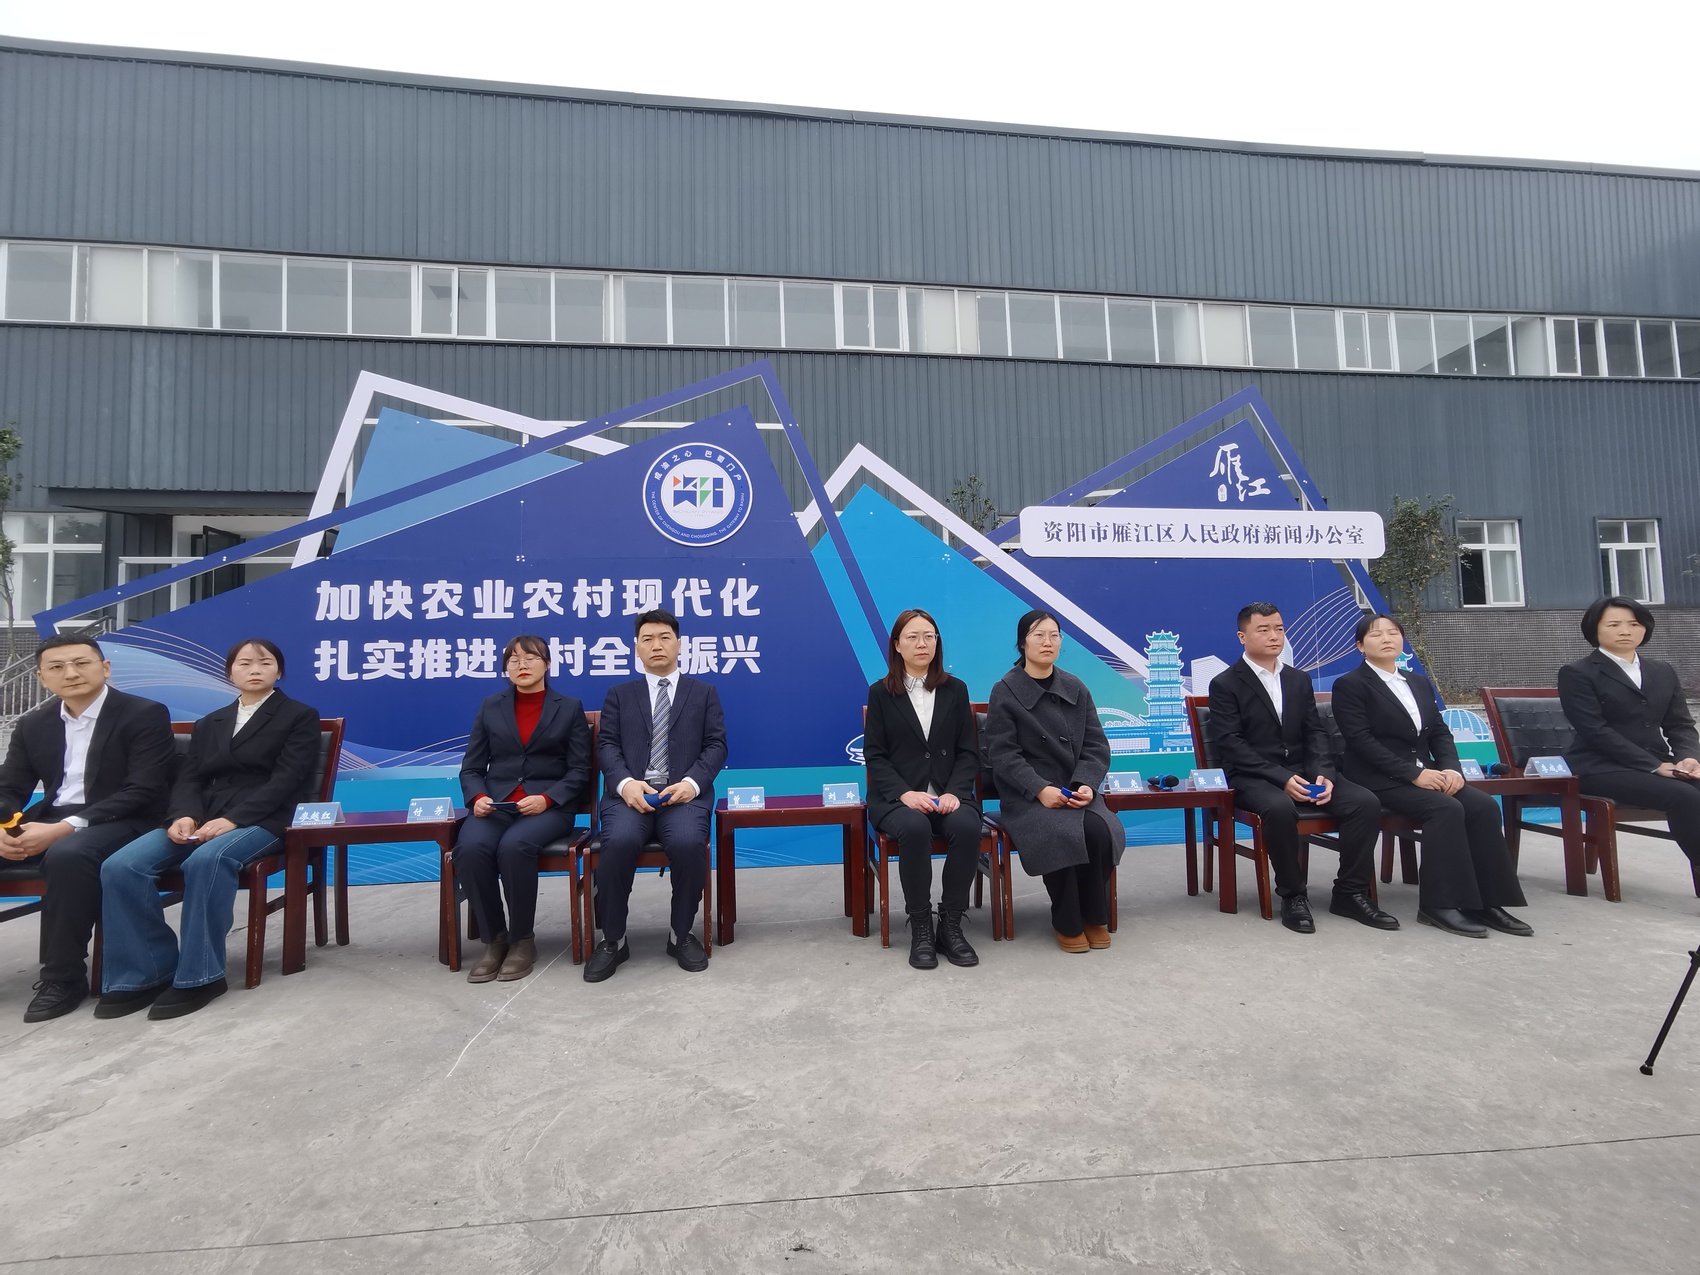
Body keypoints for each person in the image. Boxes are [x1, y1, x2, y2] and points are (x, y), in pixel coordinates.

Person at [97, 638, 324, 1019]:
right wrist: (183, 815)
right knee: (121, 866)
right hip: (204, 816)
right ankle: (145, 971)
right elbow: (189, 778)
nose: (255, 669)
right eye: (244, 663)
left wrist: (235, 819)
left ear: (279, 671)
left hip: (266, 817)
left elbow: (288, 779)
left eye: (265, 662)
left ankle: (201, 975)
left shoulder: (298, 716)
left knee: (207, 860)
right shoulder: (209, 723)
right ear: (229, 673)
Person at [0, 635, 174, 1022]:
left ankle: (63, 978)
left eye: (81, 663)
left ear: (105, 668)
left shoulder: (144, 713)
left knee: (69, 854)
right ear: (42, 678)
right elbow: (9, 789)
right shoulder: (33, 724)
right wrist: (2, 828)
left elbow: (144, 789)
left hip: (125, 818)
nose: (71, 673)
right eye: (57, 667)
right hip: (52, 816)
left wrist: (65, 828)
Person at [1331, 614, 1531, 938]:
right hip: (1376, 778)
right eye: (1376, 635)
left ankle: (1486, 902)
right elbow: (1361, 741)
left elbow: (1439, 731)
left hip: (1426, 773)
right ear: (1360, 646)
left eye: (1393, 633)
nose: (1386, 639)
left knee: (1483, 806)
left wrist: (1451, 768)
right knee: (1445, 808)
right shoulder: (1350, 685)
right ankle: (1438, 904)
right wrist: (1413, 775)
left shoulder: (1418, 682)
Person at [1205, 602, 1395, 934]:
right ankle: (1293, 896)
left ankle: (1350, 893)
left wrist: (1324, 772)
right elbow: (1231, 744)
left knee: (1364, 802)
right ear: (1242, 636)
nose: (1274, 636)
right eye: (1263, 630)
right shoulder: (1225, 684)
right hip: (1253, 776)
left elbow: (1315, 732)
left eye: (1279, 628)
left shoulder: (1298, 679)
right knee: (1279, 807)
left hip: (1304, 771)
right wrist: (1282, 778)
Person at [584, 609, 727, 981]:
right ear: (636, 648)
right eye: (647, 639)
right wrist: (625, 783)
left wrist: (692, 783)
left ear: (679, 644)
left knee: (688, 843)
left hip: (684, 796)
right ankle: (613, 939)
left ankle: (681, 934)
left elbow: (716, 745)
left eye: (665, 637)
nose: (657, 645)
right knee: (617, 842)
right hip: (630, 796)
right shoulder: (619, 695)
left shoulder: (704, 693)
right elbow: (607, 746)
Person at [453, 634, 594, 983]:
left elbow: (580, 770)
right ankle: (494, 940)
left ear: (547, 664)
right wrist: (478, 798)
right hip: (497, 806)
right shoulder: (491, 706)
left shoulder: (568, 707)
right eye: (514, 660)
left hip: (549, 808)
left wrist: (547, 798)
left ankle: (522, 941)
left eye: (530, 658)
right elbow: (471, 768)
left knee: (515, 847)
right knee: (470, 849)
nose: (522, 665)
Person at [986, 609, 1125, 953]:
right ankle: (1067, 920)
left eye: (1054, 635)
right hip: (1028, 797)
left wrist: (1086, 784)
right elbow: (1003, 755)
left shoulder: (1076, 687)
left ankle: (1093, 915)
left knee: (1101, 831)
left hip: (1075, 789)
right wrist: (1040, 789)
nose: (1047, 642)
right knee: (1060, 832)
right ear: (1022, 643)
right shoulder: (1005, 691)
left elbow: (1096, 745)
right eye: (1038, 635)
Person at [863, 608, 982, 970]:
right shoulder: (881, 693)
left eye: (929, 636)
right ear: (897, 645)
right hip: (897, 799)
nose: (922, 644)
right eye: (912, 637)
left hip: (947, 794)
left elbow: (968, 752)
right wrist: (905, 793)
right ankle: (921, 927)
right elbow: (875, 755)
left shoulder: (956, 690)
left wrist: (955, 792)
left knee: (966, 826)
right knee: (914, 828)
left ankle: (950, 925)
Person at [1558, 596, 1700, 875]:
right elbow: (1594, 730)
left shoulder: (1663, 671)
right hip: (1599, 766)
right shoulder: (1577, 673)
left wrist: (1688, 758)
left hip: (1657, 764)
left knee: (1691, 786)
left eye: (1634, 624)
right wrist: (1655, 766)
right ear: (1594, 629)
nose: (1625, 631)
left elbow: (1680, 724)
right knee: (1682, 795)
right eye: (1614, 624)